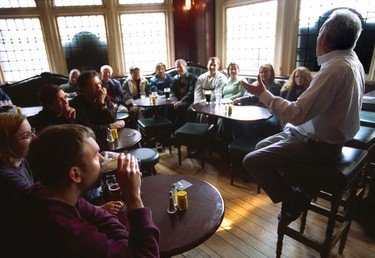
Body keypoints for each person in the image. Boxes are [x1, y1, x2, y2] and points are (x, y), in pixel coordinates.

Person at [242, 9, 364, 223]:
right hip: (307, 135)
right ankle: (300, 187)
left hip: (319, 146)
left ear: (324, 39)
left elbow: (296, 114)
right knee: (260, 147)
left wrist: (263, 94)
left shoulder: (334, 69)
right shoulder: (354, 61)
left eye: (319, 35)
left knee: (252, 161)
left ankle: (294, 198)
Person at [0, 124, 160, 257]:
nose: (102, 159)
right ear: (75, 174)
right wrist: (133, 197)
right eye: (96, 156)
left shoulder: (44, 192)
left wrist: (122, 245)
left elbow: (101, 217)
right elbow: (147, 254)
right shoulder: (66, 234)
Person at [70, 70, 125, 136]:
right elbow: (86, 129)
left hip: (107, 135)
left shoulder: (103, 97)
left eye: (99, 83)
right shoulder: (76, 103)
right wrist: (110, 126)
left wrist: (102, 103)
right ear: (84, 88)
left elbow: (113, 119)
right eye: (94, 85)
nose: (99, 87)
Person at [0, 113, 35, 206]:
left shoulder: (21, 160)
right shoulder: (6, 176)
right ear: (5, 143)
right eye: (26, 136)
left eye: (32, 132)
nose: (34, 138)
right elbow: (40, 202)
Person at [169, 59, 197, 131]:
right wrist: (174, 100)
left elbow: (191, 93)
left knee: (180, 107)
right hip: (177, 100)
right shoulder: (175, 78)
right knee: (168, 107)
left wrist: (181, 101)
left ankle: (176, 130)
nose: (178, 69)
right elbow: (172, 91)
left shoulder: (193, 78)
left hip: (188, 100)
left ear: (185, 66)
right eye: (176, 67)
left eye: (180, 67)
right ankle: (167, 130)